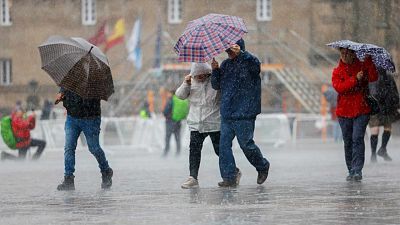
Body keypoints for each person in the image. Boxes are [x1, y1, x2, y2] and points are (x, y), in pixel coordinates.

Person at [211, 38, 270, 187]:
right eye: (227, 49)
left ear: (239, 47)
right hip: (227, 113)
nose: (228, 52)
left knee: (246, 145)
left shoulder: (250, 62)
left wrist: (243, 54)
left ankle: (262, 166)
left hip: (245, 112)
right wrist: (215, 70)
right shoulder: (225, 65)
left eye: (231, 49)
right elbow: (216, 85)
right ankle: (229, 177)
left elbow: (257, 67)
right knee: (223, 146)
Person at [176, 62, 241, 189]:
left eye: (203, 75)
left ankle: (234, 172)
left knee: (220, 151)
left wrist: (217, 70)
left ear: (208, 73)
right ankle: (193, 177)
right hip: (196, 123)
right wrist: (186, 84)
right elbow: (180, 95)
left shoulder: (215, 81)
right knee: (194, 151)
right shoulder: (190, 82)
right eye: (197, 76)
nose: (200, 78)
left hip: (214, 122)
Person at [332, 47, 378, 182]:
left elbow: (374, 77)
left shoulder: (362, 67)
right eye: (342, 53)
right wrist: (355, 79)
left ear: (354, 54)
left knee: (357, 138)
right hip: (344, 112)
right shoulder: (337, 71)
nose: (345, 55)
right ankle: (351, 169)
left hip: (361, 110)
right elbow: (340, 88)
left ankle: (357, 170)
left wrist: (369, 60)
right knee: (348, 141)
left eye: (348, 53)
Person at [55, 88, 113, 191]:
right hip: (72, 117)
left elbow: (94, 101)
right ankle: (68, 179)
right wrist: (62, 93)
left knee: (94, 148)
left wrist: (82, 99)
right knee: (69, 147)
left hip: (90, 118)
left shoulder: (94, 79)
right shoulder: (72, 75)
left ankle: (106, 170)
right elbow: (65, 86)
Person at [368, 68, 400, 162]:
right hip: (384, 106)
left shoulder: (370, 76)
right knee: (384, 128)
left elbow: (394, 92)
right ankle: (380, 150)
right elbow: (394, 93)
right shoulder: (387, 76)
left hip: (379, 106)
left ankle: (376, 153)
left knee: (378, 129)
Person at [162, 90, 188, 157]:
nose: (168, 95)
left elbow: (165, 111)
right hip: (178, 121)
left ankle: (166, 152)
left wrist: (166, 114)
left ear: (171, 94)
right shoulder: (179, 100)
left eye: (169, 93)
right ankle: (178, 152)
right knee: (177, 137)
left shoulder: (171, 100)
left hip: (170, 121)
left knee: (168, 137)